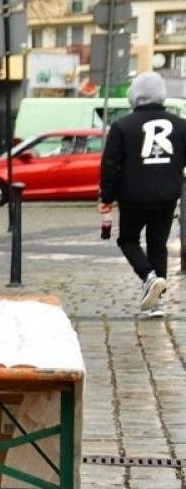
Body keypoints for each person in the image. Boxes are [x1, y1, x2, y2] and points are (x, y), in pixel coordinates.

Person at [99, 71, 186, 317]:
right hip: (167, 195)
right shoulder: (181, 125)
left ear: (135, 95)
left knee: (127, 239)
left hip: (133, 196)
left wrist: (106, 197)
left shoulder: (122, 126)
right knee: (158, 245)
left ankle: (148, 277)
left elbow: (109, 164)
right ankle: (156, 304)